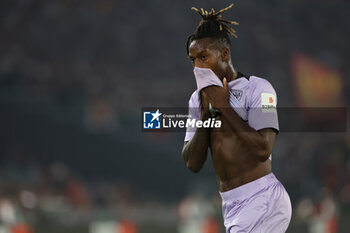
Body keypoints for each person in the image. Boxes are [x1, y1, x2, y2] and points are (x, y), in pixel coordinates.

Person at [182, 4, 292, 233]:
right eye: (193, 60)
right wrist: (207, 115)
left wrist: (224, 107)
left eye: (204, 57)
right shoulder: (197, 99)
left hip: (262, 198)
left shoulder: (259, 89)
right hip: (231, 205)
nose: (198, 67)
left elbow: (263, 148)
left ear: (224, 54)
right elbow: (192, 163)